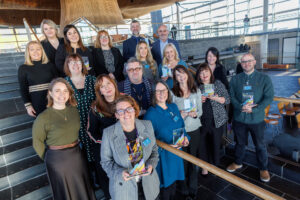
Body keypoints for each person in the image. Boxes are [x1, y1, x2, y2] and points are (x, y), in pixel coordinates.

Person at [32, 78, 96, 200]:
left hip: (77, 156)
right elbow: (37, 142)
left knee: (82, 188)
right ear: (50, 93)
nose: (62, 94)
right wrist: (49, 159)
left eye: (65, 91)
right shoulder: (43, 117)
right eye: (57, 91)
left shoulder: (74, 111)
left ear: (69, 93)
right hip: (57, 161)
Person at [226, 53, 274, 183]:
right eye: (243, 62)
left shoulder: (264, 78)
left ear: (254, 62)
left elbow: (269, 97)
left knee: (260, 145)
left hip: (256, 119)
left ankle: (263, 168)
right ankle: (238, 162)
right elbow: (231, 95)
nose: (246, 64)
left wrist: (255, 108)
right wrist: (239, 107)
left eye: (248, 61)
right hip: (239, 118)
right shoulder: (236, 79)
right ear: (240, 64)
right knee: (240, 143)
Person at [101, 95, 160, 200]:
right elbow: (106, 162)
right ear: (116, 115)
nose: (126, 113)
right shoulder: (108, 133)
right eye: (121, 111)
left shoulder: (147, 125)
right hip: (124, 189)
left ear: (134, 110)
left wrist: (151, 165)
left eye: (129, 109)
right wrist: (120, 173)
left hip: (149, 185)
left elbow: (154, 151)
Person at [144, 81, 189, 200]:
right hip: (163, 158)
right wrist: (164, 146)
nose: (161, 93)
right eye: (158, 91)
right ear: (153, 94)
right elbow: (146, 142)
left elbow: (182, 126)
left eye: (164, 90)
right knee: (166, 191)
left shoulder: (173, 107)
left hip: (177, 154)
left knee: (175, 186)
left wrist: (186, 138)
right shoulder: (150, 115)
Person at [171, 65, 202, 199]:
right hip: (179, 131)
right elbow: (171, 114)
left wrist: (195, 115)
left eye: (182, 73)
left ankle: (193, 188)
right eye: (177, 75)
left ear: (187, 75)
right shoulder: (172, 93)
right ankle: (183, 188)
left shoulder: (196, 90)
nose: (181, 76)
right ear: (175, 78)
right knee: (181, 161)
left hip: (194, 129)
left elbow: (200, 111)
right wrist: (180, 115)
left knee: (193, 160)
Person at [87, 75, 120, 200]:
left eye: (108, 83)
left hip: (123, 147)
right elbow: (91, 131)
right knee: (107, 179)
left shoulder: (125, 100)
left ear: (114, 84)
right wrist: (106, 143)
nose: (106, 88)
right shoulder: (96, 107)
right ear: (99, 91)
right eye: (102, 86)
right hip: (104, 149)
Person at [196, 63, 230, 176]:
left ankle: (214, 165)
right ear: (199, 75)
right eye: (201, 72)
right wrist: (198, 100)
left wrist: (216, 98)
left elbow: (227, 99)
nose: (204, 74)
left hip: (217, 120)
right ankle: (204, 167)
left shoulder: (217, 84)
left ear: (210, 73)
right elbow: (192, 105)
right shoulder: (196, 88)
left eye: (206, 71)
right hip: (201, 122)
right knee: (202, 145)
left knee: (215, 144)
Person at [64, 54, 96, 164]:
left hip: (93, 124)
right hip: (76, 127)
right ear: (67, 65)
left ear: (82, 64)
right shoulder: (64, 84)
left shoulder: (92, 80)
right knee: (81, 160)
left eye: (78, 61)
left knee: (97, 156)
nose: (75, 64)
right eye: (71, 62)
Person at [18, 41, 57, 117]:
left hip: (53, 101)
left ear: (42, 51)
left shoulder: (50, 65)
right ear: (28, 52)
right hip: (37, 103)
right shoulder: (23, 68)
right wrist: (28, 106)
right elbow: (23, 89)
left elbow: (57, 84)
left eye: (38, 49)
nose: (35, 51)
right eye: (32, 49)